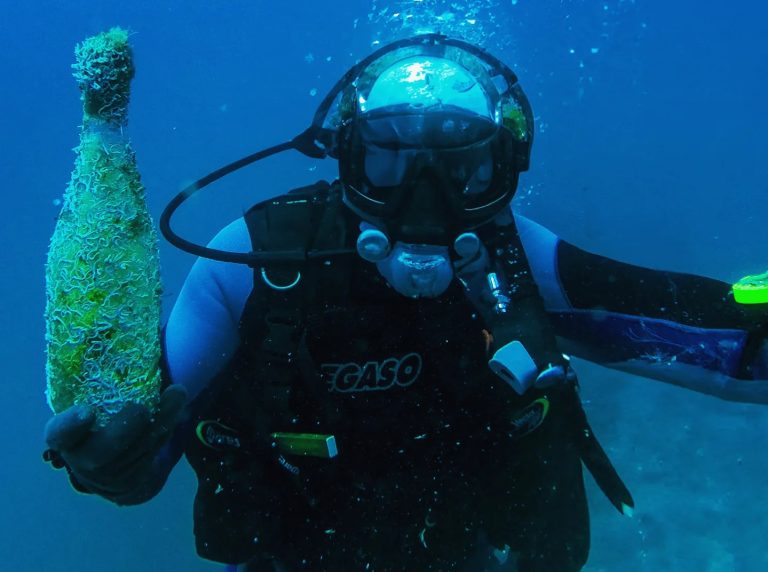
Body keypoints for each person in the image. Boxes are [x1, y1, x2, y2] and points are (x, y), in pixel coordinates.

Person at [43, 34, 768, 572]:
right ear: (344, 158)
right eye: (387, 163)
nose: (426, 203)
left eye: (464, 170)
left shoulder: (514, 260)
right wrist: (110, 463)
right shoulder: (254, 263)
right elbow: (147, 438)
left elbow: (701, 329)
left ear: (503, 171)